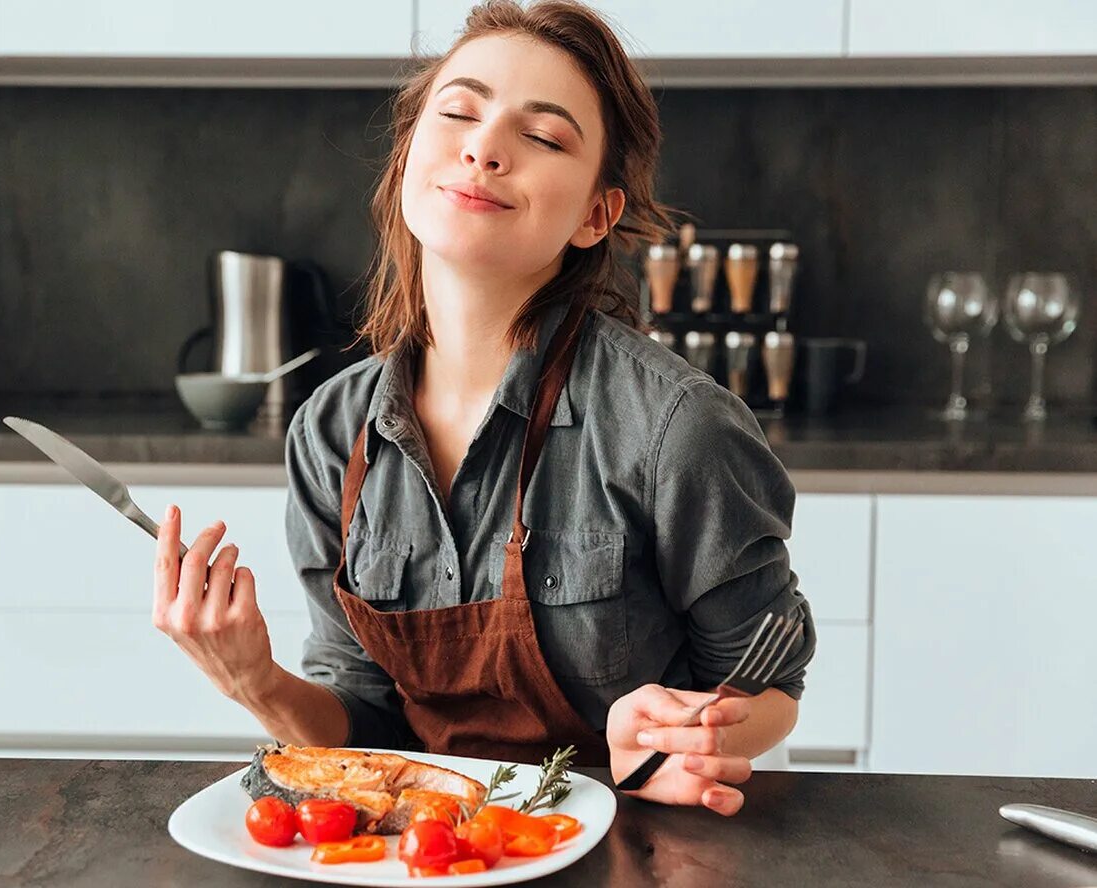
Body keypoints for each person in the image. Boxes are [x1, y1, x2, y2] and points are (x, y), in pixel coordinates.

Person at [153, 0, 816, 817]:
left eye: (542, 137)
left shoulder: (677, 430)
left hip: (629, 844)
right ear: (406, 160)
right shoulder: (331, 434)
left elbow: (770, 685)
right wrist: (252, 679)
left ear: (595, 215)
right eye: (459, 112)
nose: (483, 148)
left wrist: (689, 735)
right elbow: (358, 729)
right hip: (418, 854)